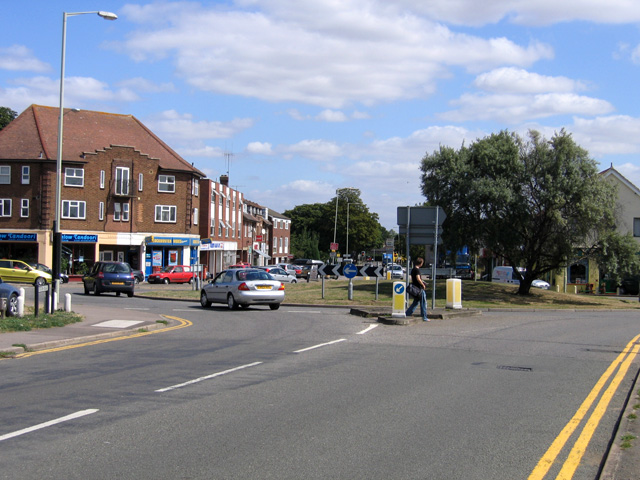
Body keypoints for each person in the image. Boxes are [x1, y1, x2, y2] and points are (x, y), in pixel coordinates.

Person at [405, 257, 429, 321]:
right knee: (423, 303)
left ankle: (407, 314)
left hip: (415, 288)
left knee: (415, 302)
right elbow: (418, 278)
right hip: (419, 289)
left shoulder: (413, 269)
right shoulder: (417, 270)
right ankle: (424, 317)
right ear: (421, 263)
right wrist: (423, 284)